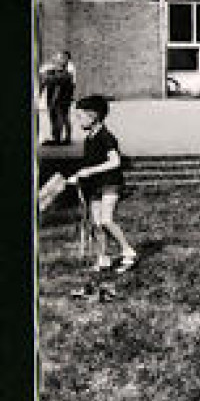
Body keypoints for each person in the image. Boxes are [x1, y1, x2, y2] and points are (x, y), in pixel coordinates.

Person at [63, 94, 136, 298]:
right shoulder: (90, 138)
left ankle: (128, 251)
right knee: (96, 223)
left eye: (80, 116)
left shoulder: (106, 137)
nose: (78, 120)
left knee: (106, 220)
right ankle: (103, 257)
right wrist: (78, 175)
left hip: (110, 183)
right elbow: (88, 166)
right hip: (96, 185)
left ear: (93, 116)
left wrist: (89, 171)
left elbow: (115, 162)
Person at [40, 51, 77, 144]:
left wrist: (53, 100)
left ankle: (58, 138)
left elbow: (56, 86)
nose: (57, 60)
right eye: (57, 58)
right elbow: (44, 78)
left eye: (60, 58)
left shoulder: (64, 74)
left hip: (59, 100)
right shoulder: (57, 73)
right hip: (60, 99)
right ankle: (62, 137)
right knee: (62, 117)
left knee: (59, 117)